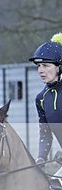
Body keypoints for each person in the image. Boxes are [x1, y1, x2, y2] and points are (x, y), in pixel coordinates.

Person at [31, 33, 62, 171]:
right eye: (38, 66)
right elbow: (45, 134)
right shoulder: (41, 99)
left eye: (45, 65)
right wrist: (41, 157)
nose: (40, 70)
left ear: (59, 67)